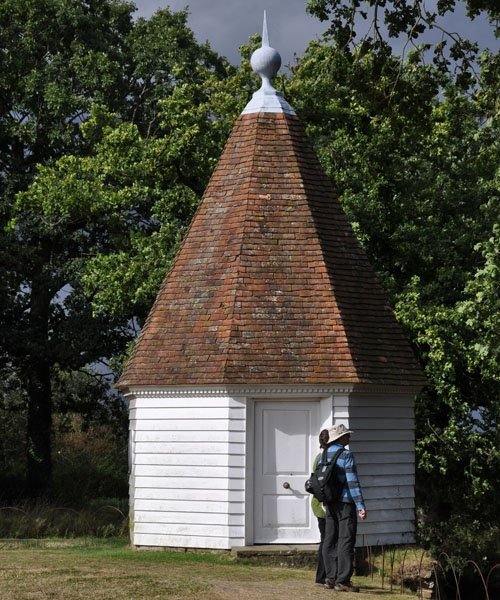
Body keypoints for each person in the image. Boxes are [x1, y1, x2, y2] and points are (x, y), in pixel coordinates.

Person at [321, 423, 367, 593]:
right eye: (347, 435)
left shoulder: (324, 454)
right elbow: (352, 482)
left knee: (330, 539)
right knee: (346, 539)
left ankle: (330, 578)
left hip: (329, 502)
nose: (349, 437)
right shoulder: (346, 455)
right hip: (345, 502)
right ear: (340, 438)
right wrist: (360, 505)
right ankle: (343, 581)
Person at [311, 429, 330, 584]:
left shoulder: (319, 457)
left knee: (325, 540)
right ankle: (324, 575)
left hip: (318, 504)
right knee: (327, 541)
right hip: (323, 505)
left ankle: (322, 575)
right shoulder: (324, 458)